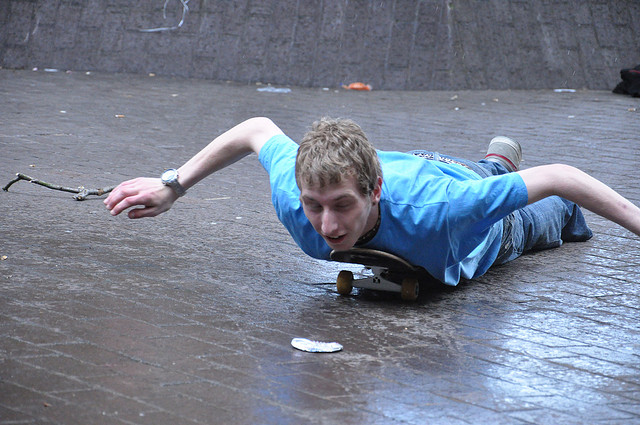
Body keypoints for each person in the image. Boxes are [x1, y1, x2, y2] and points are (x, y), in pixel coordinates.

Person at [104, 117, 640, 286]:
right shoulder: (295, 191)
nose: (326, 225)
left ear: (371, 191)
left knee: (543, 214)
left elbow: (562, 176)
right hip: (410, 167)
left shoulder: (445, 210)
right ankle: (496, 161)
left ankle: (498, 164)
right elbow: (256, 129)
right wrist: (173, 186)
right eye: (315, 206)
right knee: (485, 181)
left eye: (341, 205)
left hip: (465, 204)